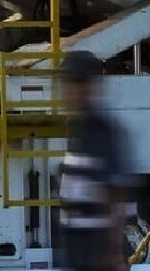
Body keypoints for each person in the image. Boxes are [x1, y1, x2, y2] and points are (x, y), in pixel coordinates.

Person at [56, 51, 131, 271]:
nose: (66, 92)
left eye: (71, 84)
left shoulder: (101, 132)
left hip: (95, 254)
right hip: (76, 252)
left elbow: (114, 195)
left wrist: (115, 253)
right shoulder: (76, 127)